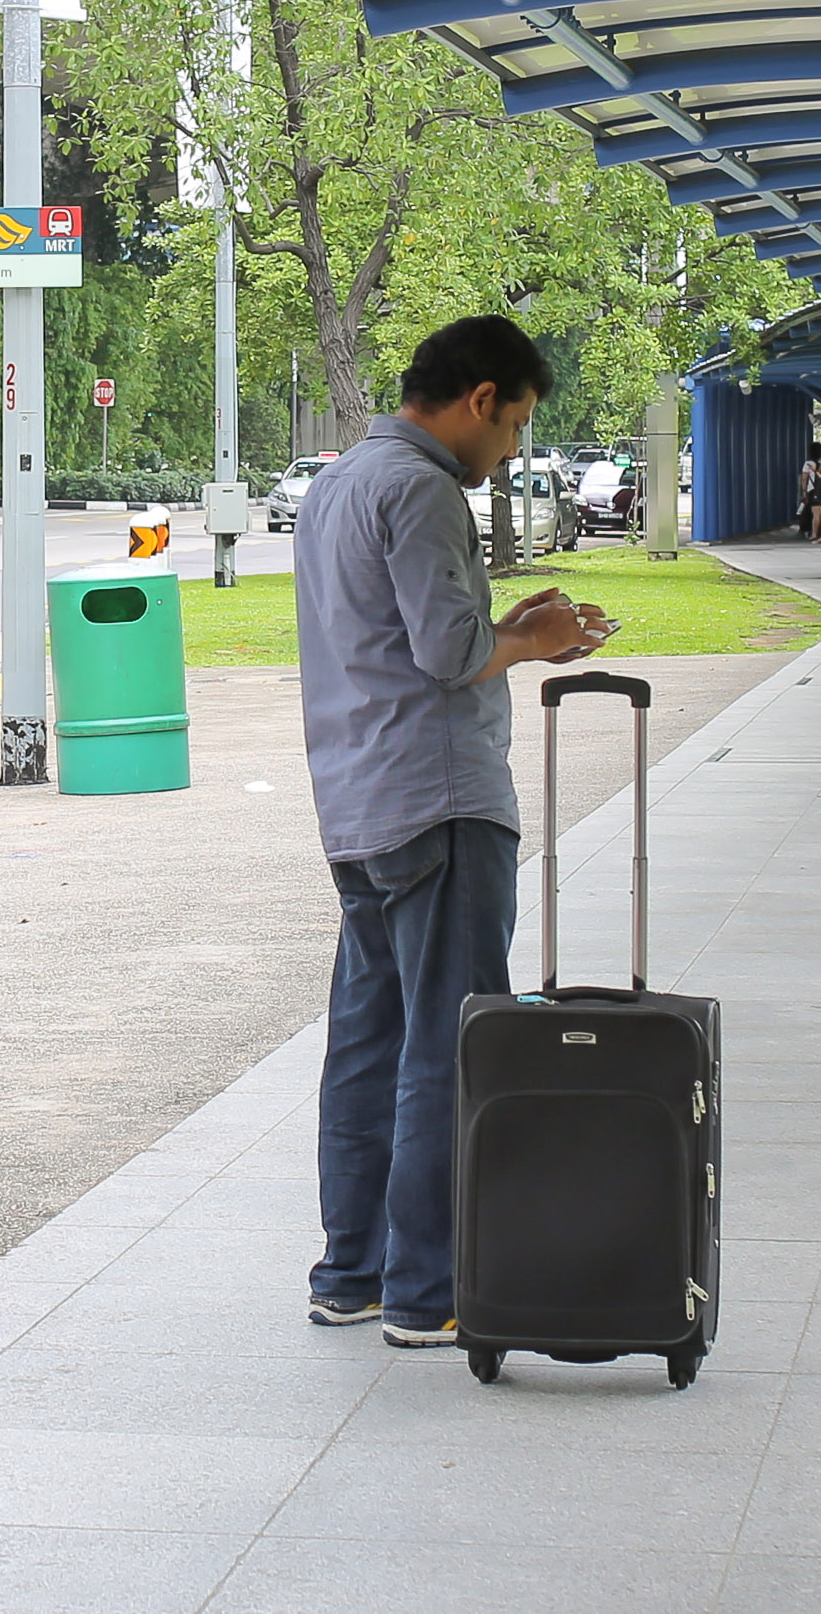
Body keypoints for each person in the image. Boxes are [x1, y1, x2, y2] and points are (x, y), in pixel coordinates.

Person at [293, 314, 612, 1349]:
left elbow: (399, 635)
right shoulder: (423, 485)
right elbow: (445, 651)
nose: (512, 447)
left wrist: (513, 629)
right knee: (448, 1047)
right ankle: (430, 1291)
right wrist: (535, 637)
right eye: (514, 423)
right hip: (440, 802)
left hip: (358, 800)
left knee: (367, 1042)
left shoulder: (340, 481)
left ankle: (354, 1273)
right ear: (479, 400)